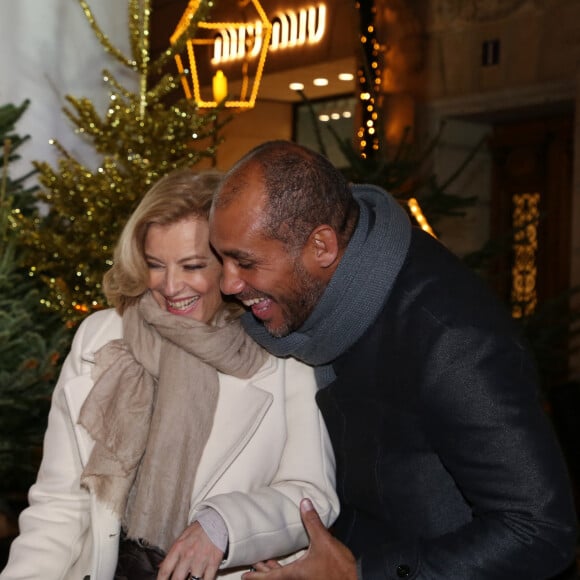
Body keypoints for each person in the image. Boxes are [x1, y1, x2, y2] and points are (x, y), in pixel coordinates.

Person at [208, 140, 579, 579]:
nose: (229, 284)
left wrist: (363, 574)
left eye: (245, 263)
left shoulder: (451, 339)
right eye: (222, 259)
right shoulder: (314, 304)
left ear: (322, 247)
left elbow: (540, 530)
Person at [0, 168, 339, 580]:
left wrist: (224, 525)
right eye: (155, 265)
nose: (171, 286)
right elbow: (59, 503)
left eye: (193, 265)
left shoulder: (282, 354)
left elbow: (311, 494)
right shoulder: (102, 338)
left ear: (229, 265)